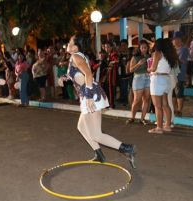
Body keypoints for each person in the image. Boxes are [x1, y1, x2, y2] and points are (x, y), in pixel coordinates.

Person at [58, 34, 137, 168]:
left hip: (91, 96)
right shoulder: (77, 57)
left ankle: (128, 149)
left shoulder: (76, 56)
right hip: (88, 95)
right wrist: (65, 77)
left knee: (96, 134)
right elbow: (80, 74)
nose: (68, 44)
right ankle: (99, 154)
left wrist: (88, 97)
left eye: (71, 42)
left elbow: (88, 74)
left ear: (77, 46)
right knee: (81, 127)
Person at [148, 38, 179, 134]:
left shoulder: (158, 53)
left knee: (157, 106)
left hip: (157, 79)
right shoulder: (169, 55)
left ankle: (159, 127)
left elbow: (153, 68)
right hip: (166, 79)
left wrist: (148, 69)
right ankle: (168, 126)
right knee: (165, 104)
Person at [126, 40, 151, 125]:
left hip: (148, 78)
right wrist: (139, 64)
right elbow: (131, 70)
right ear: (139, 48)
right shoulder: (135, 57)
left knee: (146, 99)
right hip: (138, 78)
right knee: (137, 100)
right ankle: (132, 117)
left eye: (145, 47)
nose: (144, 49)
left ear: (148, 48)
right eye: (142, 47)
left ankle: (142, 119)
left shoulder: (149, 56)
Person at [172, 31, 189, 117]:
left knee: (179, 94)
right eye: (174, 39)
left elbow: (180, 61)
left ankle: (179, 111)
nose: (175, 41)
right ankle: (174, 110)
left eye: (177, 39)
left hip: (180, 75)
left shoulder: (184, 49)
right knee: (173, 94)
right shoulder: (173, 49)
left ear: (180, 40)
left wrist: (171, 58)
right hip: (172, 75)